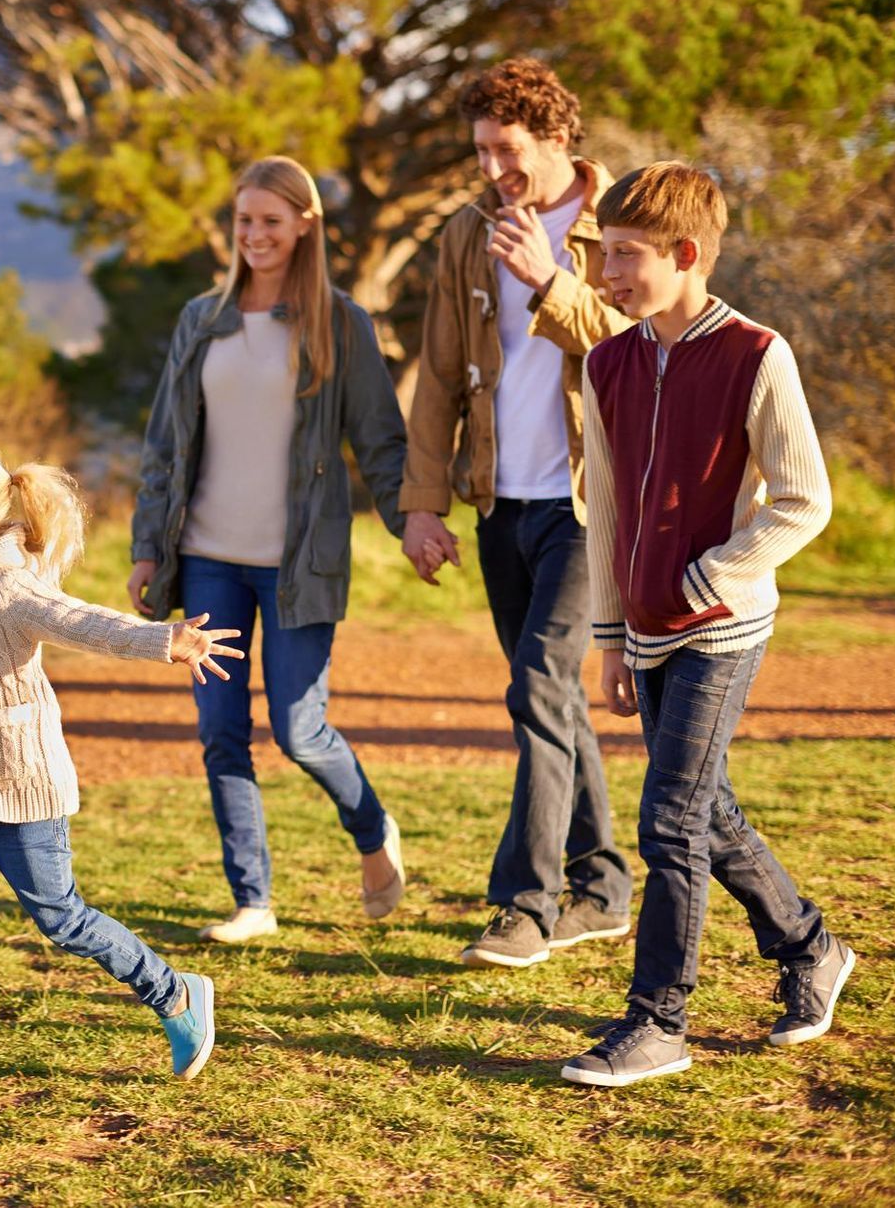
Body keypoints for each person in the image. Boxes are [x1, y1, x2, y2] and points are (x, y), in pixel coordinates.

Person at [559, 162, 852, 1087]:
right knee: (703, 809)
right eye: (604, 255)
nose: (607, 275)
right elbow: (601, 509)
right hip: (641, 628)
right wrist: (607, 639)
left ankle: (660, 1024)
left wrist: (710, 573)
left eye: (625, 256)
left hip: (724, 624)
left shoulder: (757, 355)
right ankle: (812, 948)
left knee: (671, 817)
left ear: (687, 255)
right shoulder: (605, 360)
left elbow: (804, 502)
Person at [0, 436, 242, 1102]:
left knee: (61, 919)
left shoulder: (8, 588)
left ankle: (177, 994)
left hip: (23, 793)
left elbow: (82, 622)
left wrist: (164, 640)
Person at [128, 155, 409, 944]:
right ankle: (252, 898)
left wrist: (410, 521)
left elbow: (381, 441)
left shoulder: (339, 322)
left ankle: (371, 828)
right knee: (221, 728)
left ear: (305, 227)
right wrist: (149, 548)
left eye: (271, 222)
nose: (255, 236)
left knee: (299, 729)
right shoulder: (200, 319)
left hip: (298, 565)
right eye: (245, 221)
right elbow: (164, 447)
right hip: (208, 557)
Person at [398, 58, 635, 968]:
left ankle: (526, 906)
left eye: (506, 148)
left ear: (556, 137)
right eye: (481, 151)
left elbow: (640, 350)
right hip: (502, 504)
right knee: (553, 699)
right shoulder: (470, 231)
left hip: (589, 505)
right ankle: (606, 886)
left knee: (539, 685)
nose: (493, 168)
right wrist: (425, 506)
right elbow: (437, 377)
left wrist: (550, 281)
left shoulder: (622, 221)